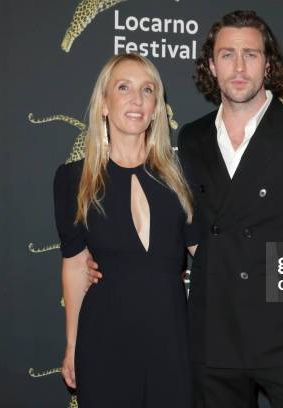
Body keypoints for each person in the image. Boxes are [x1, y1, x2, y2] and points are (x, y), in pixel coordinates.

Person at [87, 10, 283, 408]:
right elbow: (178, 225)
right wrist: (113, 260)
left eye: (250, 54)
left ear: (268, 64)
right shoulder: (192, 138)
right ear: (211, 65)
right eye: (227, 54)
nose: (239, 66)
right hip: (212, 338)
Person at [53, 53, 197, 407]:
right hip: (104, 338)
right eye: (124, 88)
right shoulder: (75, 178)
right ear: (104, 104)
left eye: (148, 90)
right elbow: (74, 265)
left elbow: (208, 255)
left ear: (156, 107)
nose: (137, 99)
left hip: (172, 338)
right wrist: (72, 344)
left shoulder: (182, 176)